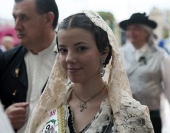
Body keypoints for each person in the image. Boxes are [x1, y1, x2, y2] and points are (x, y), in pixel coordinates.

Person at [25, 10, 154, 133]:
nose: (69, 58)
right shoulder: (50, 106)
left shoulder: (131, 114)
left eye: (81, 48)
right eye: (63, 50)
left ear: (103, 52)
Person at [0, 0, 59, 132]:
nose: (17, 26)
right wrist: (4, 119)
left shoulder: (72, 61)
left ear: (48, 19)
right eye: (15, 18)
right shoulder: (6, 60)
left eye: (24, 18)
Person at [119, 12, 170, 133]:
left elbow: (169, 86)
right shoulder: (120, 54)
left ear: (147, 32)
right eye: (129, 29)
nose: (131, 32)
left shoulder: (160, 56)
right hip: (125, 114)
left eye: (136, 29)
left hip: (151, 114)